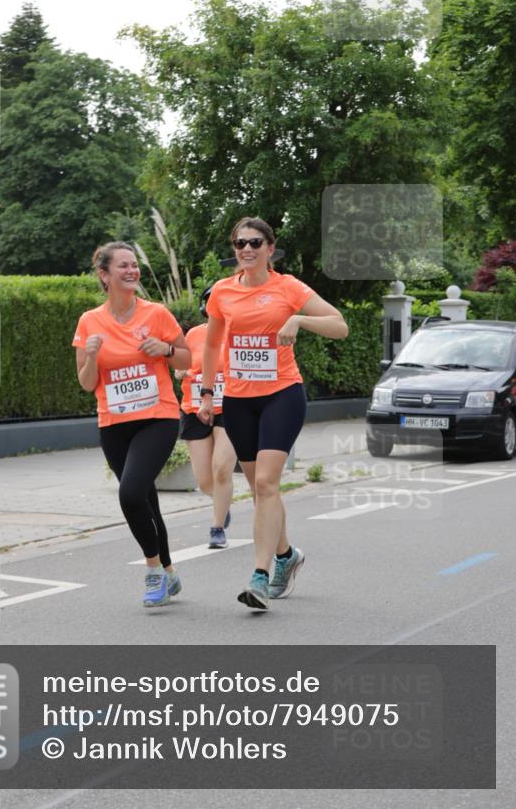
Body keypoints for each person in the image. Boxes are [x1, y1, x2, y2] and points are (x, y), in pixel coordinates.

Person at [198, 217, 348, 612]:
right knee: (261, 489)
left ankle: (259, 577)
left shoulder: (288, 287)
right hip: (239, 400)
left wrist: (298, 319)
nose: (246, 249)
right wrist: (207, 393)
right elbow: (212, 346)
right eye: (240, 243)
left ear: (270, 248)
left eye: (255, 242)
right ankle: (286, 555)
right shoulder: (222, 293)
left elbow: (340, 325)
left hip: (282, 394)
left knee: (265, 482)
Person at [74, 242, 191, 608]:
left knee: (129, 492)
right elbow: (86, 382)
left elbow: (188, 359)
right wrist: (91, 355)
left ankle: (153, 569)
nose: (132, 271)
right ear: (105, 275)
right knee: (145, 501)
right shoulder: (89, 321)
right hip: (114, 422)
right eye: (123, 266)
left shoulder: (156, 314)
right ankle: (170, 573)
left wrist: (167, 351)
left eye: (135, 265)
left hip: (157, 416)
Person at [176, 286, 237, 549]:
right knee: (204, 481)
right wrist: (181, 372)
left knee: (222, 468)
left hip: (230, 409)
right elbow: (183, 365)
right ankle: (221, 505)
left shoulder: (238, 333)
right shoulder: (194, 334)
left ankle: (216, 527)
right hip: (194, 408)